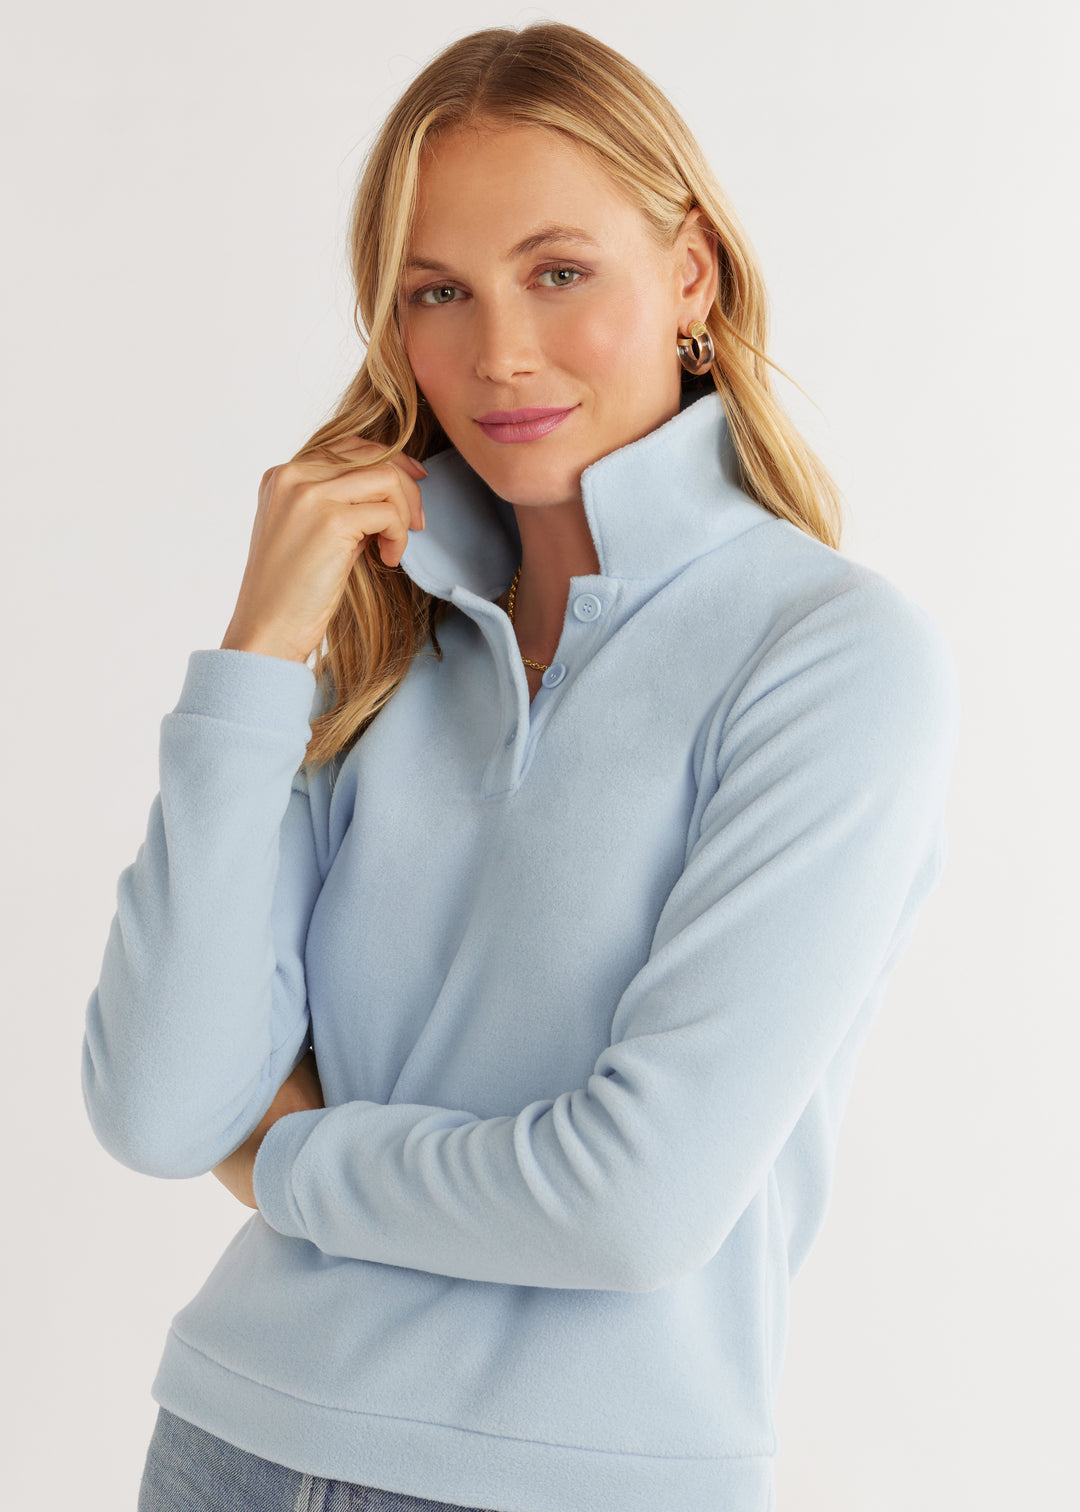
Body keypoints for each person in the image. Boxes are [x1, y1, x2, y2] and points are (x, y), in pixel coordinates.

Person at [81, 20, 960, 1512]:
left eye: (559, 272)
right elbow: (161, 1105)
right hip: (228, 1445)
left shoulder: (830, 657)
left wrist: (289, 1162)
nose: (498, 353)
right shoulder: (380, 634)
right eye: (439, 291)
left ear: (691, 273)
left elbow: (633, 1204)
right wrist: (256, 656)